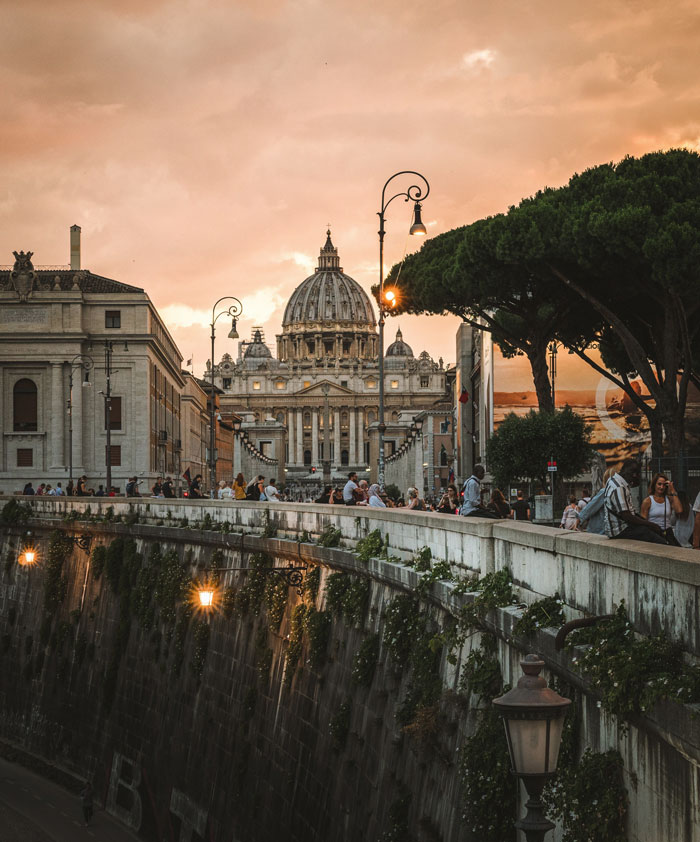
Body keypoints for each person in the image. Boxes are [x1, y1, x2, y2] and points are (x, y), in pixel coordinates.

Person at [604, 459, 668, 544]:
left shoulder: (613, 480)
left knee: (657, 531)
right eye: (633, 472)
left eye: (637, 473)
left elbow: (630, 513)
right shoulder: (619, 488)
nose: (634, 476)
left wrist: (649, 524)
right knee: (659, 540)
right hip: (620, 531)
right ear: (625, 470)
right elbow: (627, 516)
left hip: (618, 528)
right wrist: (650, 525)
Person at [640, 473, 682, 546]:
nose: (661, 487)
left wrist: (672, 490)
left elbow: (679, 510)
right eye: (659, 484)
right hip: (654, 532)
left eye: (664, 485)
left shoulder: (669, 499)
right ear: (654, 485)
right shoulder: (648, 501)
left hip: (668, 532)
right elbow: (643, 521)